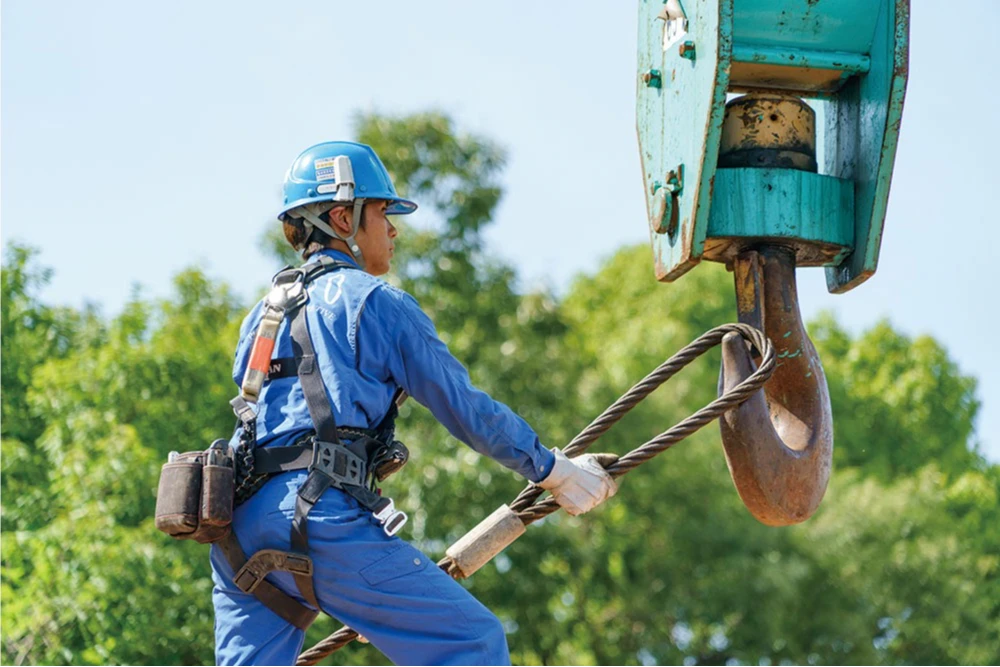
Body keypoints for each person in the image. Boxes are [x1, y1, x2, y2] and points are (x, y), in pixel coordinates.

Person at [209, 141, 618, 667]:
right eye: (383, 213)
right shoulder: (375, 303)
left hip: (240, 533)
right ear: (344, 218)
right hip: (321, 517)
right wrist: (555, 471)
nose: (393, 230)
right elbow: (464, 408)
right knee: (471, 642)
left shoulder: (259, 318)